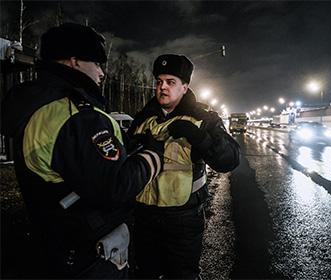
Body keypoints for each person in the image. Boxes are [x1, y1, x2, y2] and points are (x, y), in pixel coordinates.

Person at [0, 23, 163, 279]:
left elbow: (79, 161)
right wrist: (152, 156)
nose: (101, 73)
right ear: (74, 61)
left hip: (56, 245)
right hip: (88, 255)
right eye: (97, 63)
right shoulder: (77, 115)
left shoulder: (39, 107)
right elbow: (115, 187)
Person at [127, 54, 240, 279]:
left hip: (183, 220)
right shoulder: (143, 119)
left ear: (185, 86)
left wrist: (202, 139)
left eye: (171, 82)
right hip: (144, 218)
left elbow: (230, 160)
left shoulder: (202, 118)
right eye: (159, 81)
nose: (162, 87)